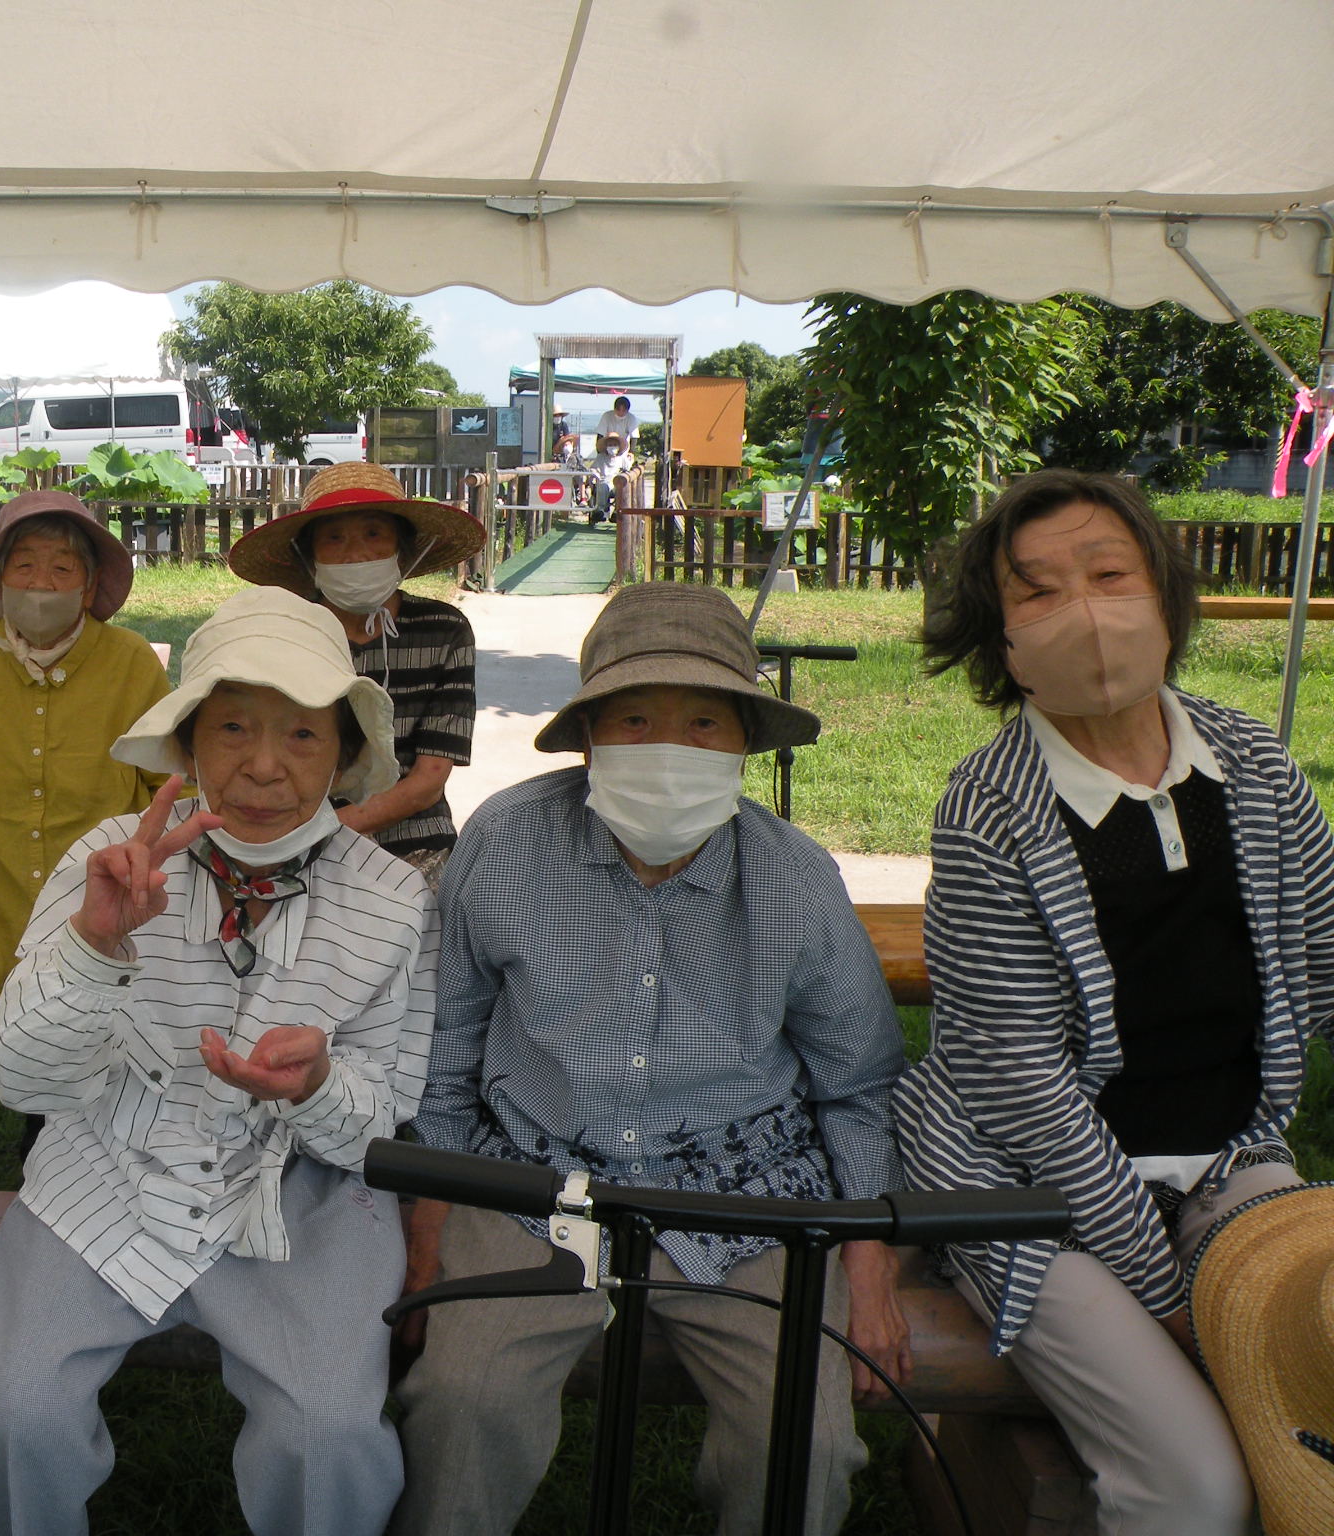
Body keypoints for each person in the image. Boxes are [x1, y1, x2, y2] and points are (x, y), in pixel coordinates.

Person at [394, 582, 910, 1536]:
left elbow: (858, 1084)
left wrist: (870, 1268)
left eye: (704, 722)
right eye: (634, 718)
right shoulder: (505, 842)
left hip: (747, 1192)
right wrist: (429, 1226)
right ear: (589, 737)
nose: (669, 747)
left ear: (746, 744)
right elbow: (448, 1045)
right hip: (533, 1176)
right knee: (460, 1403)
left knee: (803, 1442)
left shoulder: (795, 877)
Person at [0, 587, 437, 1536]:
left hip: (299, 1198)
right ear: (188, 745)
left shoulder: (394, 901)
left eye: (302, 734)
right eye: (233, 727)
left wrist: (320, 1087)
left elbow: (379, 1118)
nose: (263, 765)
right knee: (17, 1418)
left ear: (343, 755)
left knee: (329, 1434)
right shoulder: (109, 860)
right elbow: (19, 1079)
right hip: (105, 1177)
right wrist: (95, 946)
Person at [895, 469, 1334, 1536]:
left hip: (1226, 1157)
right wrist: (1173, 1298)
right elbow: (1020, 1091)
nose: (1084, 613)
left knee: (1310, 1404)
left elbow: (1325, 962)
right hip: (1023, 1186)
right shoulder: (987, 809)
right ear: (1000, 639)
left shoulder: (1255, 767)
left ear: (1164, 597)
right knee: (1193, 1487)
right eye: (1037, 591)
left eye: (1108, 574)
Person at [0, 490, 170, 1188]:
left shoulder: (132, 661)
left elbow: (165, 785)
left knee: (69, 1052)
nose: (40, 584)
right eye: (24, 565)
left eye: (61, 569)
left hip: (83, 905)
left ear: (90, 587)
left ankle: (53, 1191)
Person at [227, 462, 484, 885]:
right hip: (292, 832)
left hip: (415, 841)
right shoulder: (284, 632)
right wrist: (291, 838)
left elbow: (429, 780)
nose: (356, 554)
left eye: (373, 534)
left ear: (402, 549)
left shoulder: (445, 630)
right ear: (309, 556)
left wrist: (331, 830)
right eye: (334, 537)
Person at [589, 432, 633, 525]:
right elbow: (593, 468)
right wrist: (595, 474)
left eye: (614, 445)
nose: (612, 447)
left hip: (616, 483)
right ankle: (600, 511)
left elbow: (628, 469)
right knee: (603, 486)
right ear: (606, 446)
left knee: (620, 489)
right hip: (603, 481)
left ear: (618, 446)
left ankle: (617, 511)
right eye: (610, 445)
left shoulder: (622, 458)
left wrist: (630, 460)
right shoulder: (601, 457)